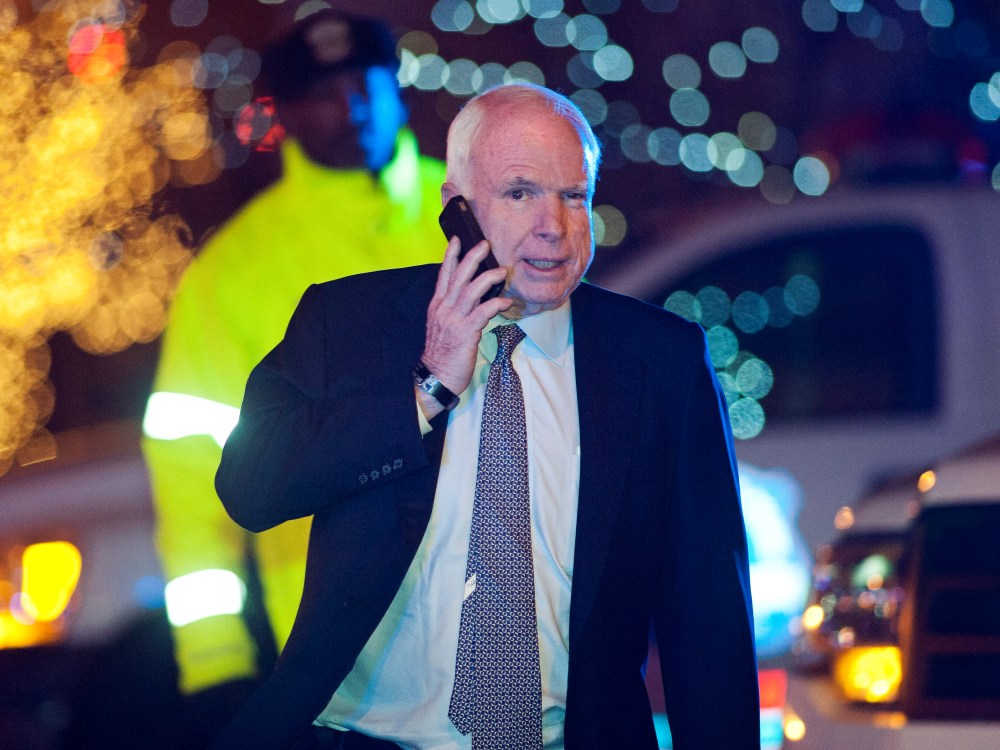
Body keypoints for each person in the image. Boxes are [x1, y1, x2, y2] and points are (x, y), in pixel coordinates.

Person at [211, 83, 760, 749]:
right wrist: (425, 390)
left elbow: (708, 618)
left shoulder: (661, 360)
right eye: (520, 192)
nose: (553, 226)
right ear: (457, 208)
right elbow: (249, 487)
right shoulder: (346, 322)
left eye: (574, 196)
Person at [140, 9, 448, 726]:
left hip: (511, 620)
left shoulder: (480, 214)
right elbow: (191, 473)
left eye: (366, 82)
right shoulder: (232, 272)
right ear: (287, 114)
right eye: (324, 92)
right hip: (340, 661)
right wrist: (216, 659)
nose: (353, 105)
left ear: (397, 86)